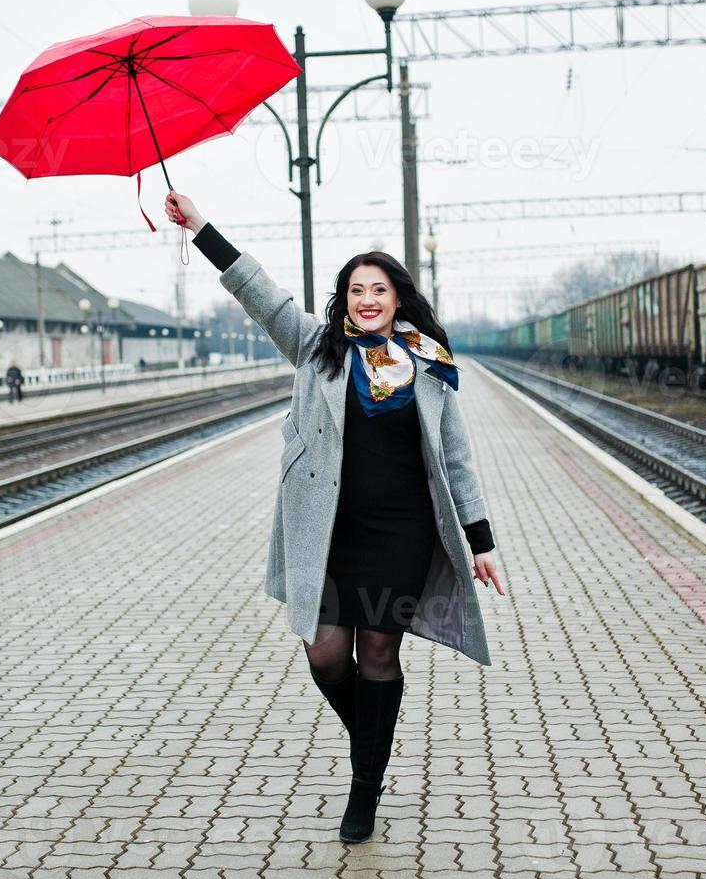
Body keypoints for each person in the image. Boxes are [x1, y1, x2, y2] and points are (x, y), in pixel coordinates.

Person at [164, 191, 505, 844]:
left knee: (377, 650)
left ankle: (363, 789)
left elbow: (455, 458)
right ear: (343, 300)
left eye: (377, 289)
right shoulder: (317, 347)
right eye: (355, 290)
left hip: (402, 532)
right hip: (330, 534)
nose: (366, 299)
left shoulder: (428, 363)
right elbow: (257, 292)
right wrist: (201, 225)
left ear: (397, 298)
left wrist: (480, 539)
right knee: (324, 654)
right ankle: (371, 743)